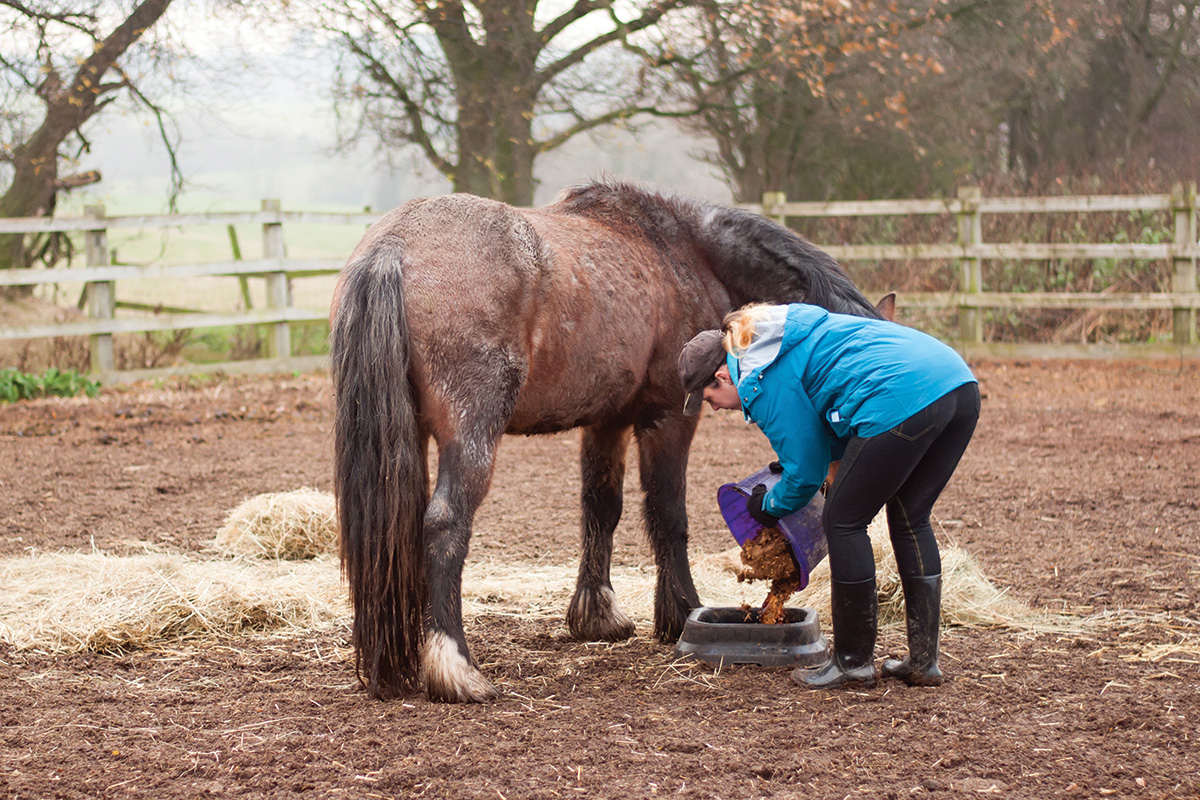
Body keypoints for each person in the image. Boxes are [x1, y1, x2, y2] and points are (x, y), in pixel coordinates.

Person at [677, 303, 980, 689]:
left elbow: (805, 471)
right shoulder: (785, 342)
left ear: (722, 376)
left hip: (901, 397)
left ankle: (852, 662)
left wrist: (768, 507)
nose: (714, 409)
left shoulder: (761, 378)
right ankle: (923, 662)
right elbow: (830, 434)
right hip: (956, 384)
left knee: (843, 521)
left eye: (708, 398)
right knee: (910, 517)